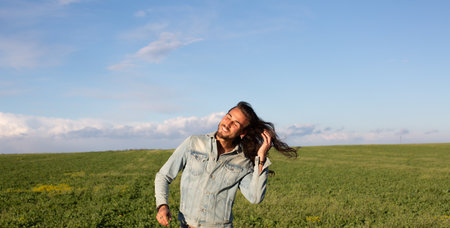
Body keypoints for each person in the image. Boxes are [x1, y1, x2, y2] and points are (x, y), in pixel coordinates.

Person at [154, 101, 297, 227]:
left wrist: (261, 157)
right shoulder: (194, 143)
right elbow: (163, 176)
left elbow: (255, 197)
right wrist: (162, 205)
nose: (227, 124)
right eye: (228, 116)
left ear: (243, 132)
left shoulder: (243, 160)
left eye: (235, 123)